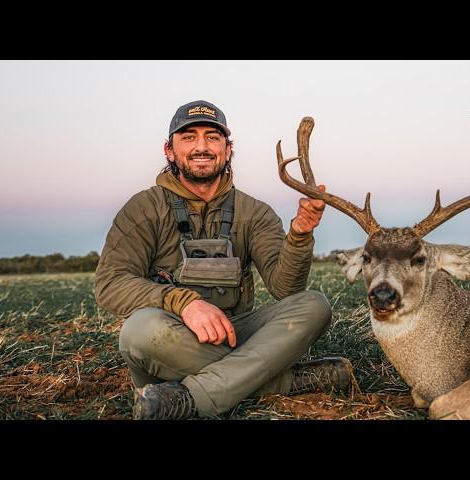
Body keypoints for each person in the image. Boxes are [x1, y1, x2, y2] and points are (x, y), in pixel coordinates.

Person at [94, 100, 353, 420]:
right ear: (169, 150)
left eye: (212, 137)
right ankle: (285, 379)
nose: (201, 146)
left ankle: (185, 397)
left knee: (315, 305)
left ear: (227, 150)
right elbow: (110, 283)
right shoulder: (144, 208)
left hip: (235, 333)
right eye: (189, 137)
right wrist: (182, 302)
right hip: (173, 339)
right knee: (137, 330)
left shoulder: (255, 212)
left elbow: (285, 289)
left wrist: (299, 235)